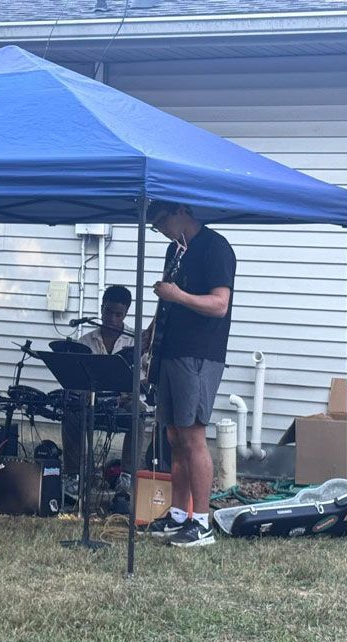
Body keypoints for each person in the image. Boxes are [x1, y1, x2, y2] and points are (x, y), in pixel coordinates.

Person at [143, 201, 236, 547]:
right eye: (156, 227)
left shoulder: (215, 248)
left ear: (181, 211)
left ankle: (202, 523)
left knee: (194, 436)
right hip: (170, 350)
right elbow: (168, 300)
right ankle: (179, 514)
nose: (162, 230)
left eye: (162, 222)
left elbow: (220, 304)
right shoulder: (175, 250)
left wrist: (178, 295)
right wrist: (151, 331)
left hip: (199, 354)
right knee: (174, 438)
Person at [61, 285, 137, 501]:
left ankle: (127, 476)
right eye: (108, 312)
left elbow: (144, 377)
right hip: (92, 400)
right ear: (102, 308)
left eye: (118, 314)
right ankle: (74, 476)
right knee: (71, 410)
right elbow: (75, 377)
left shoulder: (135, 341)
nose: (112, 319)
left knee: (139, 412)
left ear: (126, 314)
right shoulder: (85, 342)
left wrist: (128, 391)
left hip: (122, 400)